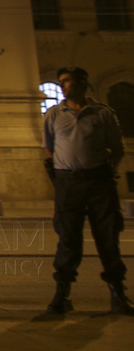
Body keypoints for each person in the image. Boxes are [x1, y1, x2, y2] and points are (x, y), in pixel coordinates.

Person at [43, 66, 133, 315]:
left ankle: (118, 293)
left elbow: (117, 148)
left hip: (99, 183)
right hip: (68, 184)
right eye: (63, 81)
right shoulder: (53, 115)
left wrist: (109, 173)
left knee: (108, 238)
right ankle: (62, 294)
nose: (66, 85)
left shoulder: (103, 113)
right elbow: (49, 149)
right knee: (68, 238)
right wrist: (61, 177)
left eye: (71, 81)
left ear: (84, 83)